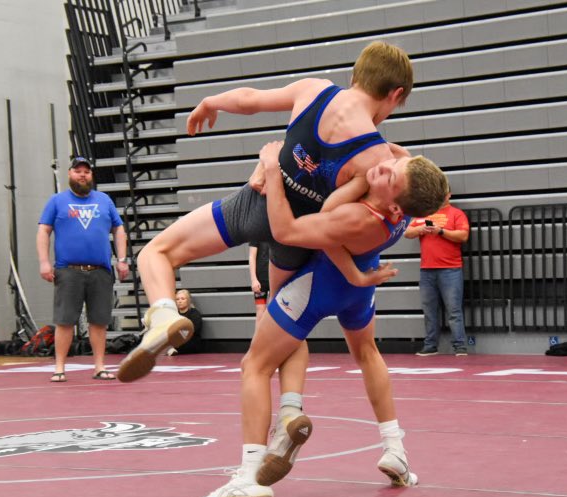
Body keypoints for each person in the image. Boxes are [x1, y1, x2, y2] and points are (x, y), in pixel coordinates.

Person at [117, 41, 417, 383]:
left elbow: (250, 100)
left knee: (157, 252)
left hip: (254, 205)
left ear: (355, 75)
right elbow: (357, 221)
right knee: (284, 323)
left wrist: (211, 101)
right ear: (395, 94)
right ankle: (291, 407)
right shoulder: (377, 158)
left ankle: (165, 315)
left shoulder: (314, 90)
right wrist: (353, 273)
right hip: (297, 234)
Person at [194, 141, 447, 497]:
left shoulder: (355, 215)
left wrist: (270, 166)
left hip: (323, 286)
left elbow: (292, 228)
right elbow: (392, 150)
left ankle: (249, 476)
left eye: (388, 174)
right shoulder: (405, 203)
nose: (382, 166)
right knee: (367, 352)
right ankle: (395, 448)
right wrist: (381, 155)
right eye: (390, 165)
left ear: (394, 204)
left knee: (256, 364)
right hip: (361, 285)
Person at [36, 157, 130, 382]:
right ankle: (59, 367)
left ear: (91, 176)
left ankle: (99, 366)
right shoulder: (57, 201)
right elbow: (43, 231)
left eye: (86, 172)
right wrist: (44, 262)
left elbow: (119, 229)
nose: (82, 175)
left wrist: (122, 259)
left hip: (100, 270)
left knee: (99, 320)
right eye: (78, 171)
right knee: (65, 320)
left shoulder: (104, 200)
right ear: (69, 174)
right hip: (68, 270)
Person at [404, 188, 469, 356]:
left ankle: (460, 346)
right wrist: (421, 230)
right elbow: (407, 232)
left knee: (454, 310)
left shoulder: (456, 214)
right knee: (429, 310)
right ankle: (431, 345)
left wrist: (440, 231)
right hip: (427, 270)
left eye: (444, 192)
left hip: (451, 269)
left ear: (449, 195)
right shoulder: (423, 214)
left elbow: (463, 236)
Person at [168, 289, 203, 354]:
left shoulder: (195, 314)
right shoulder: (174, 314)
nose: (180, 301)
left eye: (182, 299)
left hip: (191, 345)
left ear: (188, 301)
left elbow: (194, 330)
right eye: (177, 299)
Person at [248, 241, 270, 330]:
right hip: (261, 281)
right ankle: (260, 342)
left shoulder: (278, 231)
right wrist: (254, 280)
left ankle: (277, 342)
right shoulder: (256, 232)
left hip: (277, 279)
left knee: (277, 312)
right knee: (260, 310)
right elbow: (252, 256)